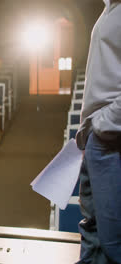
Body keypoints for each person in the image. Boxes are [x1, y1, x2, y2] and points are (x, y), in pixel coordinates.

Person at [75, 1, 121, 263]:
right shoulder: (110, 7)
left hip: (110, 138)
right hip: (98, 135)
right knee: (92, 232)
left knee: (113, 242)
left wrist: (105, 124)